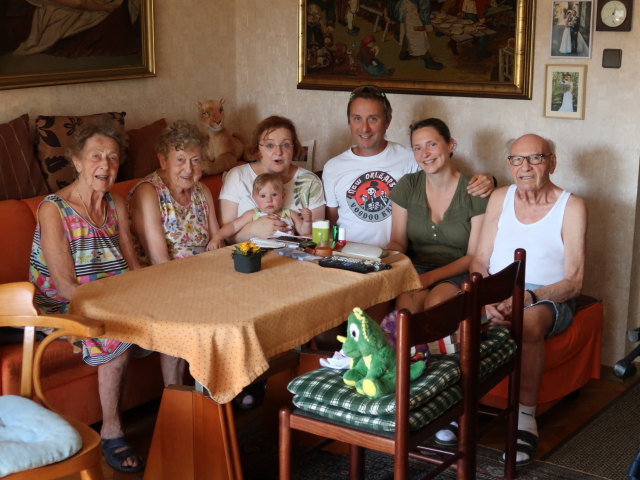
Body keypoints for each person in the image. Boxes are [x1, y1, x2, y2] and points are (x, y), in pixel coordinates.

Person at [28, 118, 172, 473]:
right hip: (65, 305)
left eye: (112, 158)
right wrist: (114, 307)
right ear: (76, 161)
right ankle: (112, 431)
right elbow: (64, 286)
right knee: (114, 334)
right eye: (95, 157)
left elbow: (132, 264)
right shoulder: (53, 210)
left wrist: (157, 294)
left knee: (174, 318)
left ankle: (176, 414)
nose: (105, 166)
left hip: (116, 294)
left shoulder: (116, 204)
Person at [470, 133, 587, 466]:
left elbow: (575, 281)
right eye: (516, 160)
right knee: (452, 314)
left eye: (535, 158)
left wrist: (530, 297)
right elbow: (480, 259)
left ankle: (524, 420)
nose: (525, 167)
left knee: (529, 322)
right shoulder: (499, 197)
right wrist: (486, 298)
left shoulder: (572, 206)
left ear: (551, 161)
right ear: (509, 165)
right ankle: (454, 408)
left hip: (548, 297)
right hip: (497, 288)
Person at [322, 84, 493, 249]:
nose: (364, 128)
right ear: (349, 121)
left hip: (395, 256)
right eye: (357, 118)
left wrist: (489, 180)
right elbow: (331, 223)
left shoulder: (412, 156)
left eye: (373, 119)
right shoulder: (333, 167)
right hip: (347, 255)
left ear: (387, 122)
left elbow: (447, 181)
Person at [386, 118, 488, 312]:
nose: (425, 154)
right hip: (416, 269)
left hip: (458, 271)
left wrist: (429, 278)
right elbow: (398, 242)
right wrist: (382, 260)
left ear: (450, 145)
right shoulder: (407, 186)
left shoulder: (475, 190)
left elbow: (473, 256)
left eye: (432, 145)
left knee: (437, 304)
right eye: (417, 148)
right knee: (407, 307)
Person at [128, 120, 224, 267]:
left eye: (195, 160)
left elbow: (219, 244)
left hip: (207, 272)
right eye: (180, 160)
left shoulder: (202, 191)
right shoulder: (148, 193)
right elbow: (159, 261)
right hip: (167, 278)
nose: (188, 169)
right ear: (163, 161)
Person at [219, 116, 325, 242]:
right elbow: (226, 234)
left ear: (294, 148)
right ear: (258, 150)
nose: (278, 152)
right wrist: (253, 230)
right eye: (270, 145)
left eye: (285, 145)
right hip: (247, 255)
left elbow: (318, 235)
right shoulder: (237, 176)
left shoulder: (310, 181)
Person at [213, 173, 312, 244]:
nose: (269, 200)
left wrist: (307, 221)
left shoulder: (290, 214)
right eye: (263, 196)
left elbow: (304, 232)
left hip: (288, 251)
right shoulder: (253, 214)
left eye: (274, 194)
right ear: (254, 198)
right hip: (260, 251)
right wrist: (218, 237)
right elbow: (233, 226)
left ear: (283, 196)